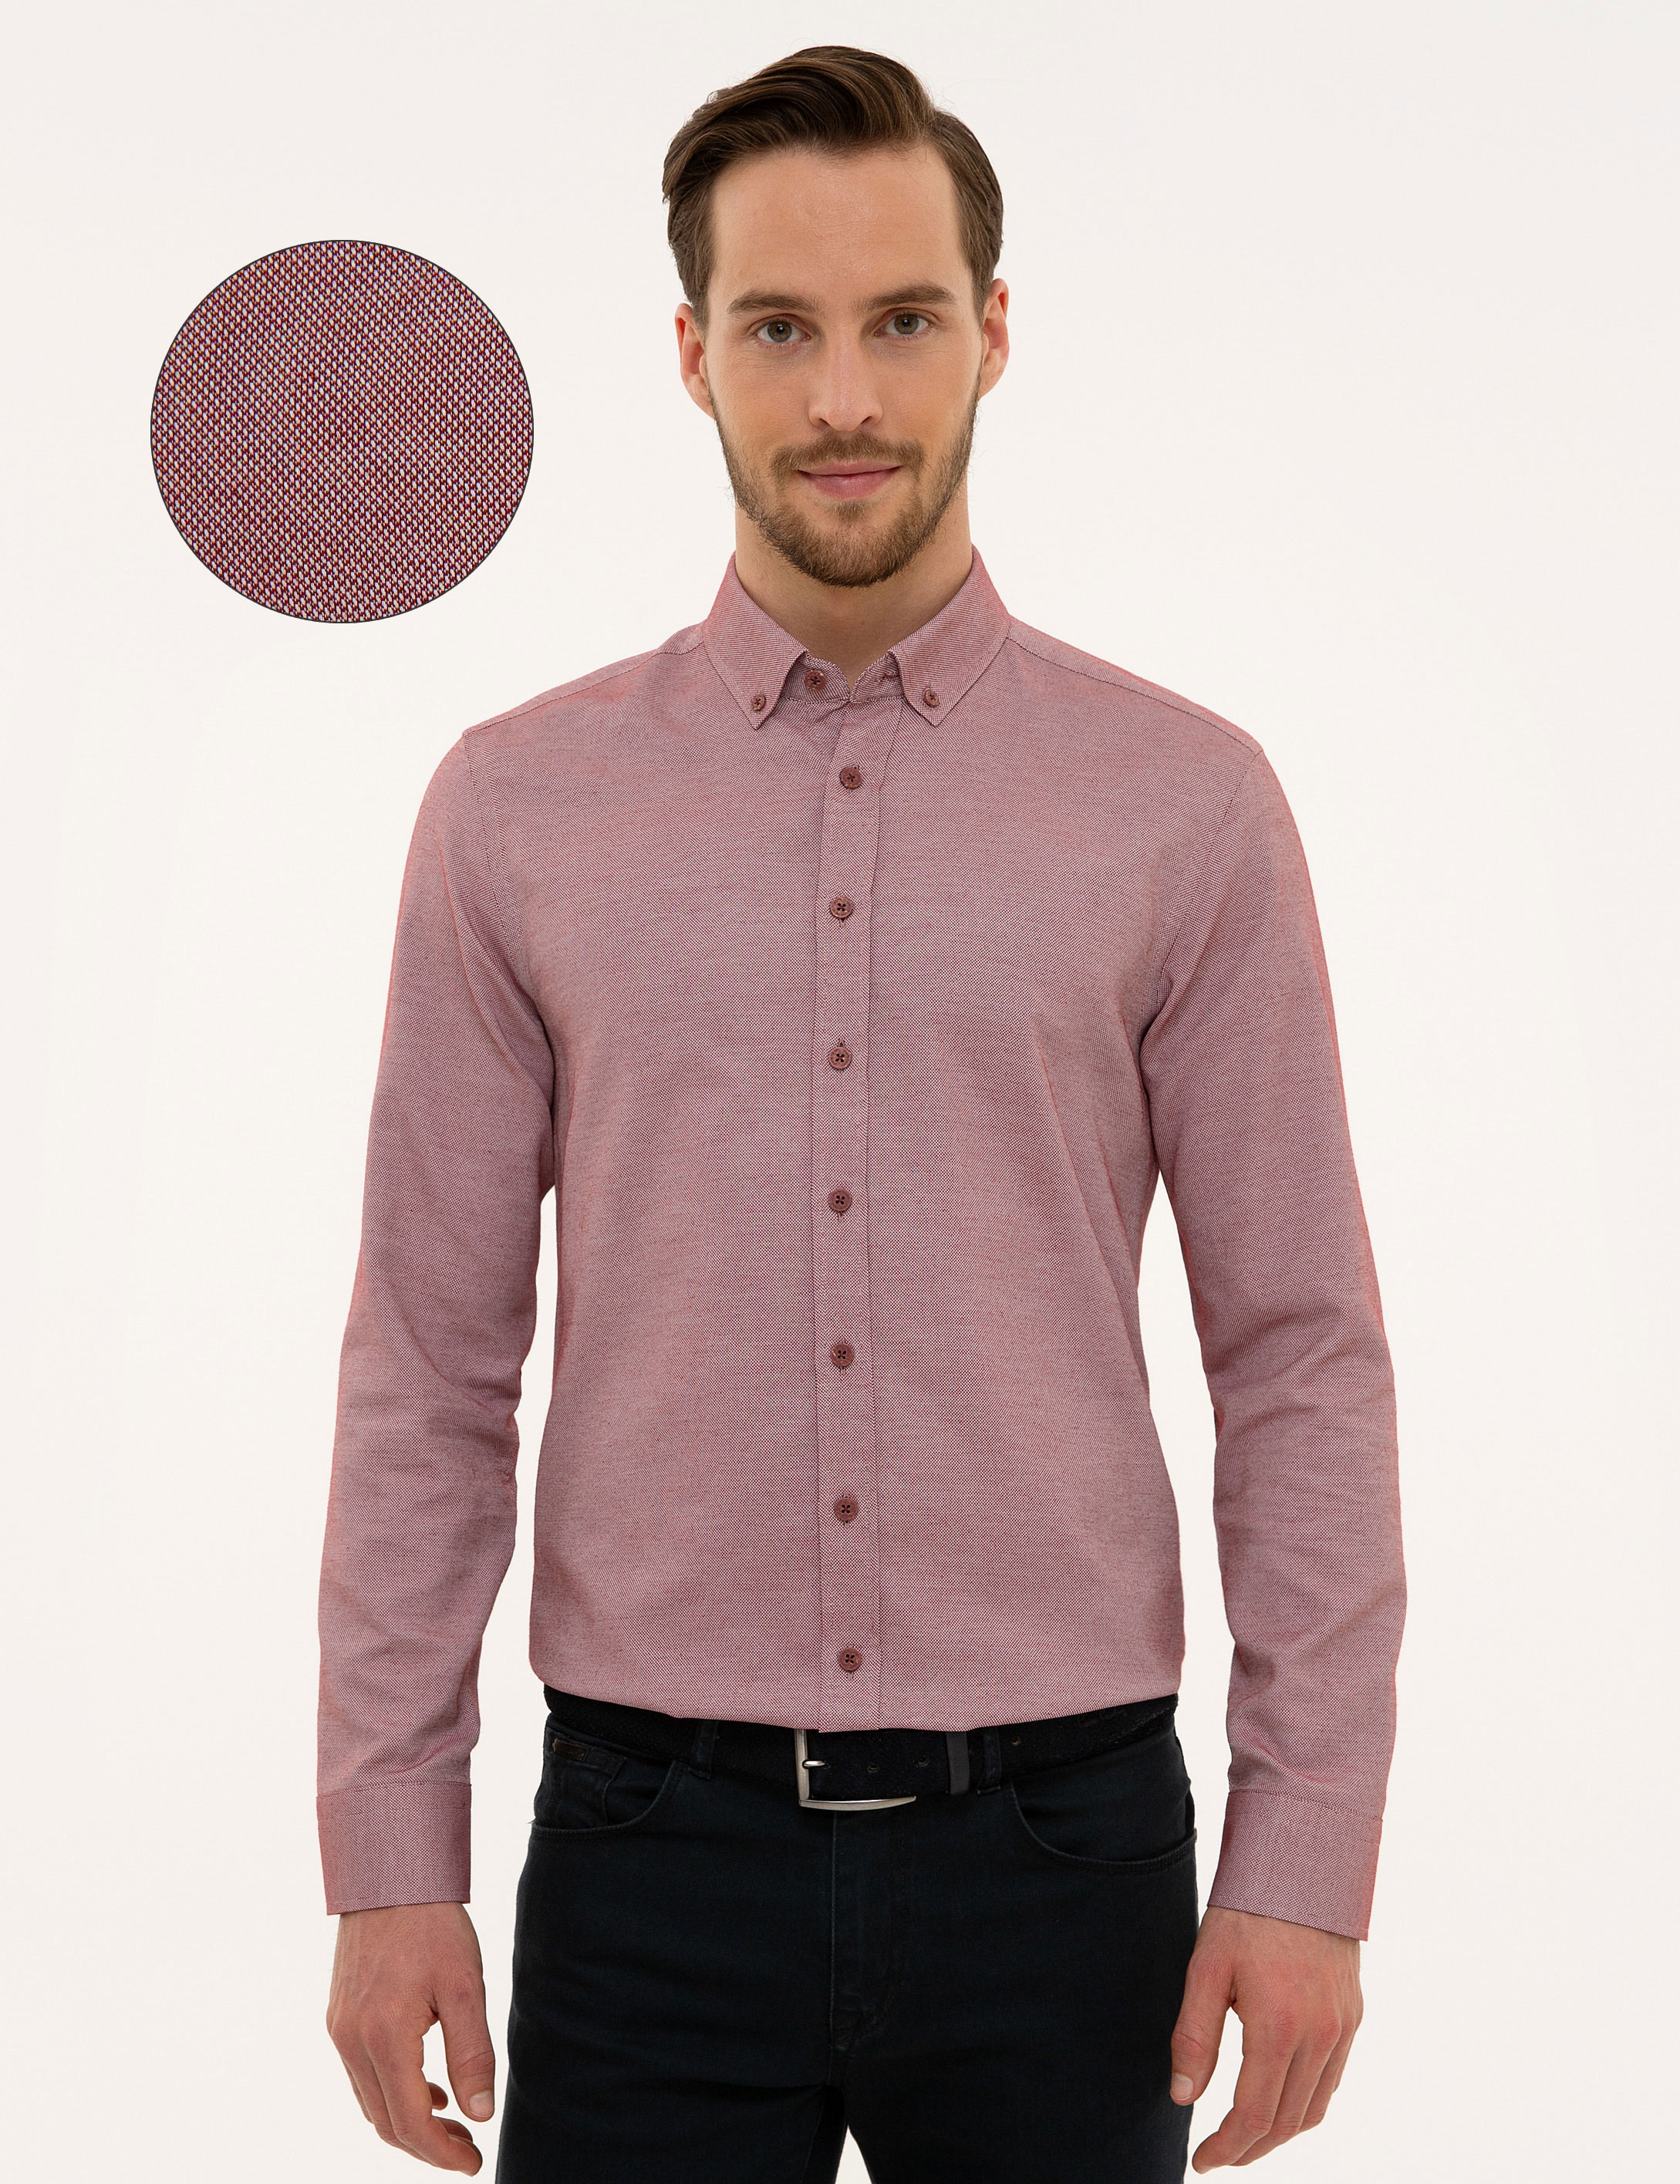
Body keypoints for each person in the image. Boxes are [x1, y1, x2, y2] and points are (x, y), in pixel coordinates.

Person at [319, 44, 1405, 2183]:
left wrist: (1308, 1855)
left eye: (900, 320)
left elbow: (1298, 1357)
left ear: (992, 331)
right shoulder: (514, 811)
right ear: (690, 355)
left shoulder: (1185, 807)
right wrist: (386, 1848)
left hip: (1067, 1860)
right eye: (777, 328)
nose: (841, 398)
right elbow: (428, 1365)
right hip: (645, 1855)